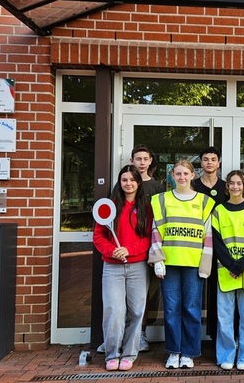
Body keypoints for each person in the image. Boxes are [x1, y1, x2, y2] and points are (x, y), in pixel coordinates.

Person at [149, 159, 215, 370]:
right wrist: (157, 259)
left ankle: (188, 353)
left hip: (193, 264)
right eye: (177, 174)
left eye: (185, 174)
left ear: (192, 175)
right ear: (172, 176)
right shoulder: (161, 200)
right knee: (171, 309)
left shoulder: (205, 202)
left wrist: (206, 265)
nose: (182, 177)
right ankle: (173, 352)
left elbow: (208, 236)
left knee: (192, 309)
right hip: (169, 264)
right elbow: (156, 230)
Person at [92, 165, 152, 371]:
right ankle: (112, 354)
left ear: (138, 182)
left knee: (136, 312)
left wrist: (129, 249)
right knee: (114, 311)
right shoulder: (109, 206)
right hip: (112, 267)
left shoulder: (146, 206)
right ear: (120, 182)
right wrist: (112, 251)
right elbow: (98, 236)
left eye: (132, 180)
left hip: (138, 266)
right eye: (124, 179)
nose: (128, 183)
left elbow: (148, 238)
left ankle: (129, 353)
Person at [212, 170, 244, 371]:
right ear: (227, 187)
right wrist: (231, 265)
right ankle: (226, 355)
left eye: (239, 183)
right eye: (231, 183)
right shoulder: (219, 211)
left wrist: (240, 265)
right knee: (224, 317)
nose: (235, 187)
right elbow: (217, 243)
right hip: (226, 271)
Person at [191, 146, 227, 345]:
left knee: (217, 293)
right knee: (195, 293)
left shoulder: (226, 187)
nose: (209, 162)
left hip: (220, 247)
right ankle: (193, 336)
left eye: (213, 159)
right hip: (196, 247)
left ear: (218, 163)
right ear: (201, 163)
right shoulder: (193, 185)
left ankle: (215, 334)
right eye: (206, 159)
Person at [130, 145, 164, 352]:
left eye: (145, 159)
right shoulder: (125, 183)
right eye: (138, 159)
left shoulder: (158, 188)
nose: (142, 162)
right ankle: (123, 335)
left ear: (151, 161)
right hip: (128, 248)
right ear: (132, 160)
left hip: (149, 247)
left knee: (145, 295)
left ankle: (141, 334)